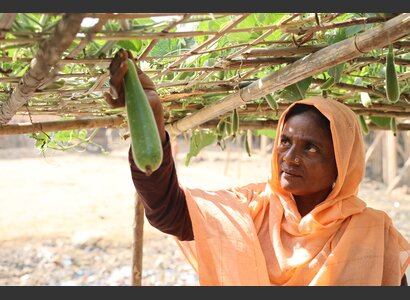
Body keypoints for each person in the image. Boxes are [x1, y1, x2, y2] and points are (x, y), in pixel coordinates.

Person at [105, 49, 410, 286]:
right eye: (285, 141)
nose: (289, 157)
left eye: (311, 148)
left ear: (343, 163)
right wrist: (151, 113)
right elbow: (169, 212)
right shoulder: (250, 210)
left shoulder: (372, 233)